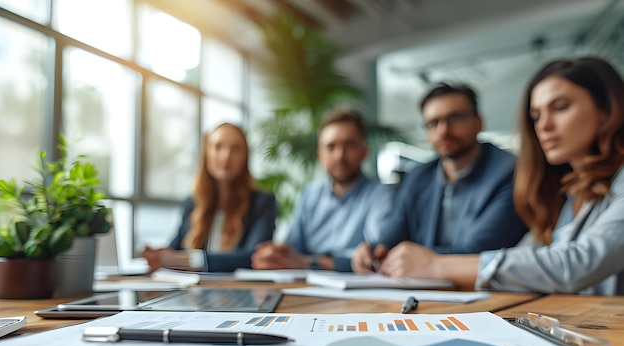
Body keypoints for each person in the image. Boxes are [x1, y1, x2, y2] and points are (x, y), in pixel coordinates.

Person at [370, 57, 624, 295]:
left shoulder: (508, 172)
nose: (544, 126)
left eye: (560, 107)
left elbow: (572, 264)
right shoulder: (573, 190)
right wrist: (376, 251)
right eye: (536, 116)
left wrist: (436, 265)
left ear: (606, 110)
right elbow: (539, 258)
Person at [352, 83, 527, 272]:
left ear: (478, 122)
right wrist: (373, 251)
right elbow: (393, 233)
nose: (443, 130)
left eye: (455, 118)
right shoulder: (418, 177)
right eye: (433, 123)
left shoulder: (510, 172)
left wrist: (412, 259)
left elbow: (480, 251)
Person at [251, 108, 393, 272]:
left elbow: (373, 258)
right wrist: (275, 254)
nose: (339, 155)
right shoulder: (309, 194)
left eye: (349, 145)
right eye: (331, 147)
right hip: (307, 286)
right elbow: (292, 250)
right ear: (320, 155)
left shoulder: (381, 195)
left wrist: (308, 263)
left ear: (364, 151)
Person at [142, 123, 276, 273]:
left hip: (239, 292)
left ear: (245, 157)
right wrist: (157, 256)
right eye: (218, 147)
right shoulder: (192, 203)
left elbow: (255, 257)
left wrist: (188, 260)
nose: (226, 156)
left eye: (236, 149)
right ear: (206, 153)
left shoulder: (262, 202)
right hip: (193, 293)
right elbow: (176, 249)